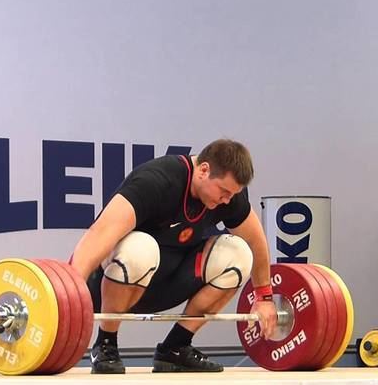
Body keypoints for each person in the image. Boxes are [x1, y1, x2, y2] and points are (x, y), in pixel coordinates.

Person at [69, 138, 276, 373]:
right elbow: (100, 233)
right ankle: (106, 344)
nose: (227, 200)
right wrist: (70, 293)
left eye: (232, 195)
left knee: (238, 253)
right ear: (204, 170)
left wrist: (264, 298)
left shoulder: (226, 197)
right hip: (117, 281)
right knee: (141, 247)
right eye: (224, 192)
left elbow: (255, 240)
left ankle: (176, 348)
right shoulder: (157, 181)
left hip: (170, 282)